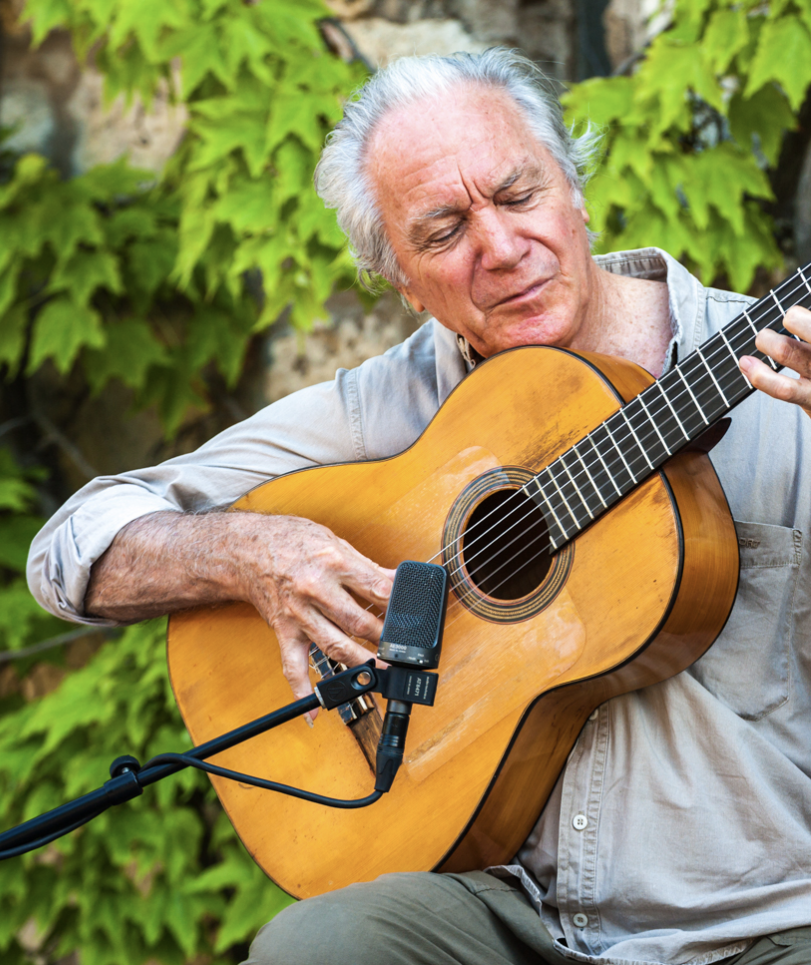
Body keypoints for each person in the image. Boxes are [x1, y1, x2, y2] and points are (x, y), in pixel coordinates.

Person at [27, 49, 811, 965]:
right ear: (399, 278)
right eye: (443, 231)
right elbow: (71, 545)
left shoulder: (775, 363)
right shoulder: (382, 411)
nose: (502, 248)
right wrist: (249, 553)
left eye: (518, 197)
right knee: (316, 948)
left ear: (575, 190)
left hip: (760, 921)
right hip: (505, 911)